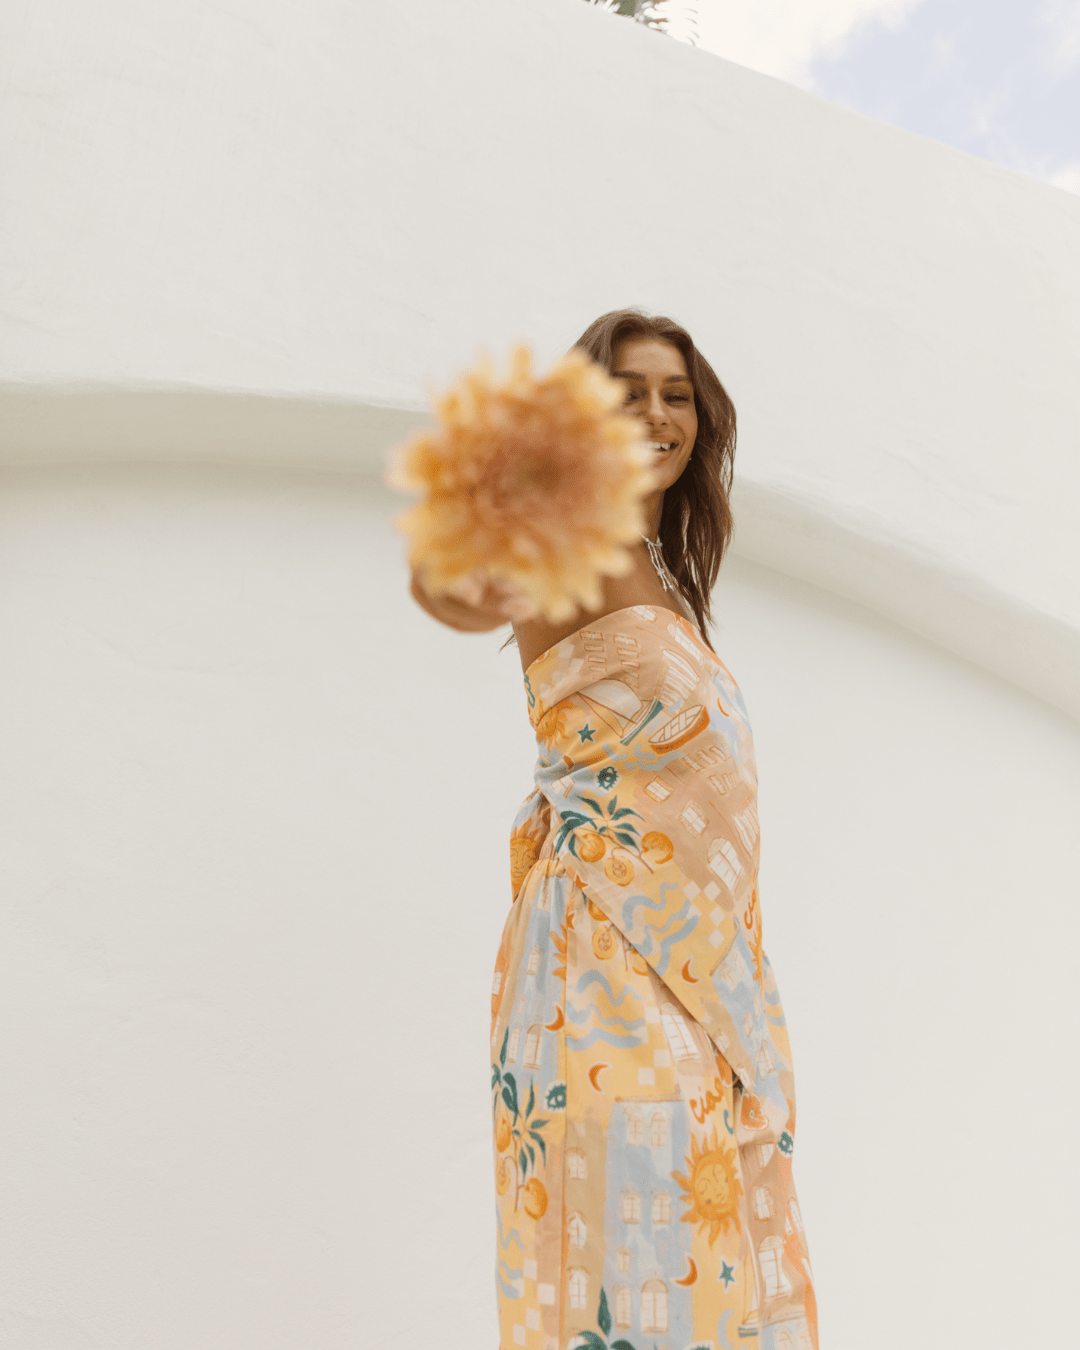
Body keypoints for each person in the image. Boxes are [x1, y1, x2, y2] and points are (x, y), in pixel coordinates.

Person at [410, 309, 818, 1350]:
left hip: (689, 970)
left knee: (694, 1250)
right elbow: (451, 587)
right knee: (629, 1239)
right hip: (598, 958)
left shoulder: (663, 575)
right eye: (627, 393)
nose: (656, 413)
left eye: (676, 395)